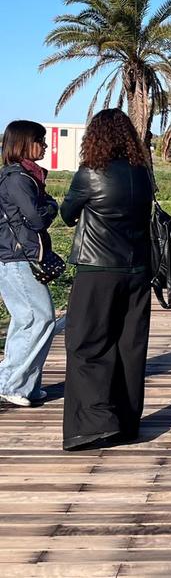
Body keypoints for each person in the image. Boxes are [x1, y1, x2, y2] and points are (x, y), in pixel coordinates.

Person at [59, 109, 154, 451]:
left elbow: (68, 215)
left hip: (98, 270)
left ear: (95, 137)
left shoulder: (90, 173)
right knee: (130, 346)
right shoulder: (143, 173)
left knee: (87, 344)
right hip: (138, 269)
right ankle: (128, 423)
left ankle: (95, 424)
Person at [0, 120, 62, 407]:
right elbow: (37, 217)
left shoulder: (25, 177)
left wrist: (46, 204)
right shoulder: (18, 179)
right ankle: (12, 383)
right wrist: (53, 206)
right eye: (40, 140)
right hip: (17, 259)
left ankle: (24, 383)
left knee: (27, 320)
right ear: (24, 143)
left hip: (16, 258)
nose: (45, 146)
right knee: (41, 317)